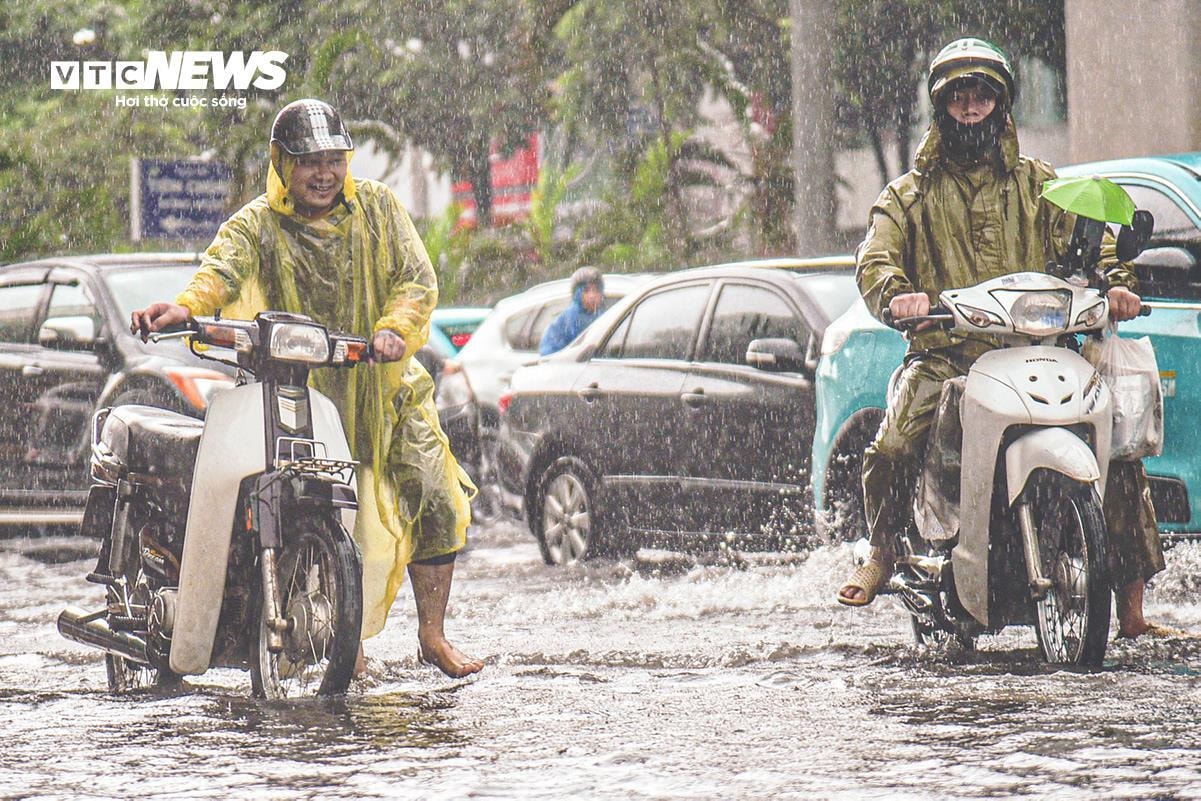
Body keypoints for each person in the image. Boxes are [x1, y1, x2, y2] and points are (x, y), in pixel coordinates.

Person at [130, 98, 485, 677]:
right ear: (282, 163)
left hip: (386, 387)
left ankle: (433, 635)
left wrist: (395, 329)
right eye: (308, 161)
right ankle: (341, 641)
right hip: (302, 394)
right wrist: (186, 306)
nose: (324, 174)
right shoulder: (258, 223)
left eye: (334, 160)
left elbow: (415, 278)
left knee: (439, 497)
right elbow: (221, 269)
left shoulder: (378, 207)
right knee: (313, 512)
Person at [836, 39, 1171, 640]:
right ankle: (883, 551)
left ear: (1002, 104)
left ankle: (1132, 612)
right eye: (960, 96)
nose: (971, 107)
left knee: (1119, 448)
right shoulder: (906, 196)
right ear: (941, 107)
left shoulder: (1042, 186)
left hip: (1039, 350)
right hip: (947, 355)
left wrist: (1118, 285)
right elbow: (875, 260)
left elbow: (1096, 249)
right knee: (892, 445)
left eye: (982, 95)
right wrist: (896, 295)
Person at [539, 267, 605, 355]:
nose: (592, 296)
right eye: (586, 290)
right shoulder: (566, 320)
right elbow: (549, 353)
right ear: (577, 293)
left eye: (596, 290)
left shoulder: (604, 317)